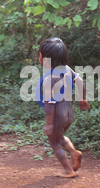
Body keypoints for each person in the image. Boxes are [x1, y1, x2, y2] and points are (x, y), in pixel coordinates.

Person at [38, 38, 89, 178]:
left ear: (45, 60)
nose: (39, 58)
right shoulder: (67, 70)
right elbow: (79, 81)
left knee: (54, 143)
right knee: (59, 136)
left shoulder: (49, 79)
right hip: (69, 114)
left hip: (57, 117)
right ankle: (74, 153)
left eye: (40, 55)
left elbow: (49, 104)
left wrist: (49, 124)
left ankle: (68, 170)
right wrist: (82, 98)